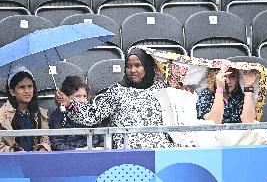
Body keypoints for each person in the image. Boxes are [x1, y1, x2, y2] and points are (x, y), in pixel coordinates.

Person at [55, 48, 196, 149]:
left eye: (137, 65)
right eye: (129, 66)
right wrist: (69, 104)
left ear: (146, 67)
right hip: (128, 150)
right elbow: (93, 115)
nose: (132, 70)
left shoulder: (161, 88)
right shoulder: (116, 91)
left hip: (159, 150)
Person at [0, 65, 51, 152]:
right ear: (12, 92)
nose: (27, 91)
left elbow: (46, 140)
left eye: (30, 86)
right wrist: (15, 152)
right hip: (12, 161)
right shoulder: (2, 115)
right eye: (22, 87)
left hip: (36, 160)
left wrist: (43, 149)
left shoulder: (40, 113)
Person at [49, 76, 104, 151]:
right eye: (78, 96)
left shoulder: (92, 113)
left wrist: (100, 147)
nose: (82, 100)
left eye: (84, 96)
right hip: (71, 157)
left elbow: (103, 137)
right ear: (66, 97)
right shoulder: (58, 115)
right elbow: (57, 143)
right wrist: (77, 150)